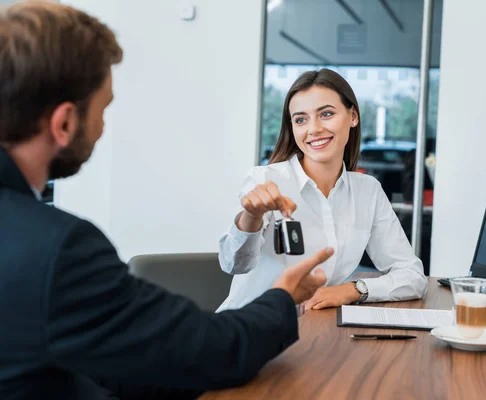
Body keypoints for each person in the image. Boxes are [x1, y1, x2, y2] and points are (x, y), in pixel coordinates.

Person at [0, 2, 333, 399]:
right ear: (65, 123)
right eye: (103, 109)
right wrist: (282, 297)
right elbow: (209, 350)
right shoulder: (56, 250)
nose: (104, 127)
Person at [218, 68, 428, 312]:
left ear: (353, 117)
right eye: (300, 119)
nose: (314, 129)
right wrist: (251, 217)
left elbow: (412, 276)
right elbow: (233, 264)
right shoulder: (265, 180)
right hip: (249, 332)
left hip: (316, 331)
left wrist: (354, 290)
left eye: (326, 114)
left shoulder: (367, 191)